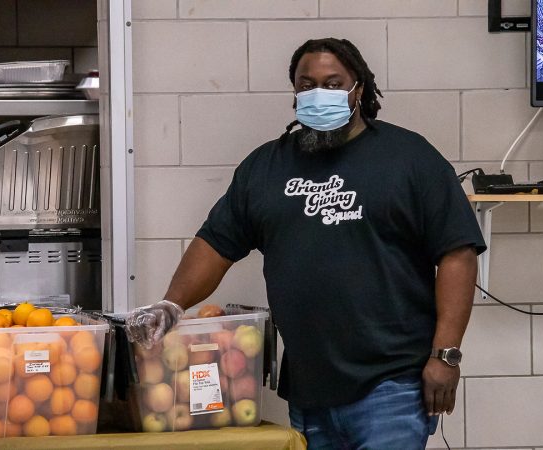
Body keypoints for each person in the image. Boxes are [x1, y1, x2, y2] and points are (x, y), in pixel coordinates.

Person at [126, 38, 486, 449]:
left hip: (391, 386)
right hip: (310, 390)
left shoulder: (410, 158)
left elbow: (458, 253)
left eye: (333, 84)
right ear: (295, 91)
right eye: (307, 84)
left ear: (358, 89)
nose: (319, 93)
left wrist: (445, 355)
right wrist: (171, 304)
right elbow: (215, 243)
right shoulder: (267, 167)